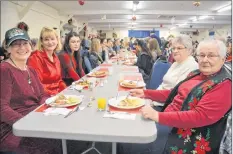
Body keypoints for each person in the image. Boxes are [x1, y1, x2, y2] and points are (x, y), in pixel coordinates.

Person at [118, 39, 231, 154]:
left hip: (185, 135)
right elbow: (174, 93)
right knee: (126, 128)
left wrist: (157, 116)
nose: (205, 60)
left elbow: (199, 116)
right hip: (169, 118)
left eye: (211, 56)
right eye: (201, 55)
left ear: (222, 59)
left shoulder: (224, 85)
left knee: (131, 140)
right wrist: (146, 93)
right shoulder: (196, 73)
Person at [0, 28, 62, 153]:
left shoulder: (30, 70)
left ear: (30, 45)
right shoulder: (4, 70)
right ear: (7, 49)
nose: (22, 47)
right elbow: (2, 108)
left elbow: (42, 95)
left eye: (25, 43)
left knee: (63, 130)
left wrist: (44, 110)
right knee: (54, 140)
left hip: (34, 116)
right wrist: (28, 122)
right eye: (15, 44)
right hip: (13, 127)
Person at [27, 27, 66, 95]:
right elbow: (37, 85)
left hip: (57, 94)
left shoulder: (55, 57)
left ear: (57, 40)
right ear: (41, 42)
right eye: (46, 39)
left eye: (52, 39)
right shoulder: (35, 58)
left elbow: (59, 81)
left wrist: (66, 90)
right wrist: (55, 95)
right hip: (43, 97)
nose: (50, 42)